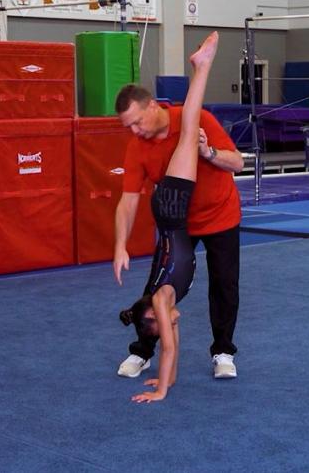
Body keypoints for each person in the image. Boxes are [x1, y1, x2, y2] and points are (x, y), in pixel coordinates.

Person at [113, 40, 244, 382]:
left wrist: (209, 152)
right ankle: (142, 352)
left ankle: (223, 351)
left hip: (218, 216)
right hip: (176, 221)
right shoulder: (137, 147)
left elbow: (238, 163)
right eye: (128, 127)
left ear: (153, 106)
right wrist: (119, 245)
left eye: (137, 122)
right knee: (153, 291)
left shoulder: (196, 120)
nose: (134, 131)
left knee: (224, 287)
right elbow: (128, 200)